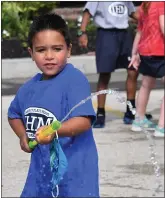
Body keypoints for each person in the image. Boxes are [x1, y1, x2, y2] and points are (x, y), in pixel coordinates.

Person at [8, 13, 99, 197]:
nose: (49, 56)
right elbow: (14, 114)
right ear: (31, 53)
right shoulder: (28, 89)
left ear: (69, 50)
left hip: (75, 178)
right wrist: (23, 136)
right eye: (41, 50)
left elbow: (83, 121)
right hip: (39, 178)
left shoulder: (74, 80)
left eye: (57, 49)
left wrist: (54, 130)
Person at [78, 1, 152, 128]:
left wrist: (150, 19)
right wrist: (82, 33)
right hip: (106, 35)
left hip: (124, 34)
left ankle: (131, 111)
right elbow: (87, 13)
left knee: (133, 70)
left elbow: (132, 13)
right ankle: (100, 113)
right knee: (105, 74)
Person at [129, 2, 165, 137]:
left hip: (145, 52)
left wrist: (134, 54)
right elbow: (163, 25)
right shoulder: (161, 3)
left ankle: (139, 120)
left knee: (146, 85)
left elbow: (139, 32)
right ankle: (162, 126)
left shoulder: (145, 4)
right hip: (160, 51)